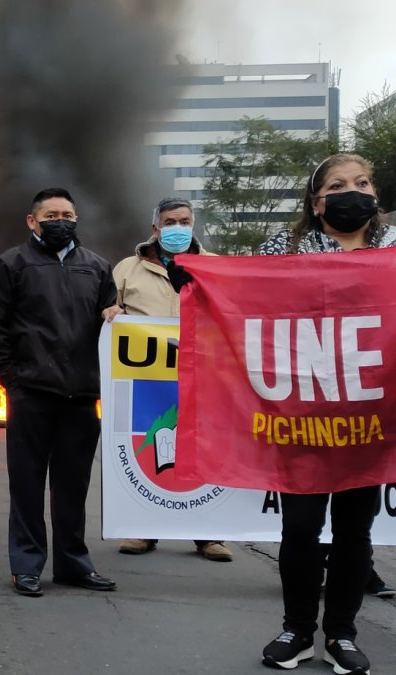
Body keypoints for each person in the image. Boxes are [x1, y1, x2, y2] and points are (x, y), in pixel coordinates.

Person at [246, 154, 390, 674]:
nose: (353, 191)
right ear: (316, 202)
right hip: (302, 417)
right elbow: (237, 299)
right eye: (338, 185)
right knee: (301, 529)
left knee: (355, 532)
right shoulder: (281, 250)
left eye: (362, 182)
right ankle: (297, 630)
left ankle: (341, 635)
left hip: (367, 422)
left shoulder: (395, 250)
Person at [0, 187, 122, 598]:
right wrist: (12, 378)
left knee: (73, 486)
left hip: (80, 397)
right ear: (32, 221)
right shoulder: (12, 263)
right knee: (27, 483)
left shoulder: (96, 267)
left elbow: (109, 320)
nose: (62, 221)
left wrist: (113, 314)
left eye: (69, 215)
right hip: (31, 394)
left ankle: (74, 564)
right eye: (53, 214)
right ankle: (26, 565)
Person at [112, 197, 233, 563]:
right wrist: (112, 312)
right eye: (170, 221)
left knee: (203, 451)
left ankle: (208, 535)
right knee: (151, 451)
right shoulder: (127, 270)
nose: (177, 228)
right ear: (155, 228)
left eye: (184, 221)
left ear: (193, 225)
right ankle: (143, 529)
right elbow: (106, 310)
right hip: (147, 383)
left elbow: (231, 315)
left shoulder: (215, 268)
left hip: (204, 377)